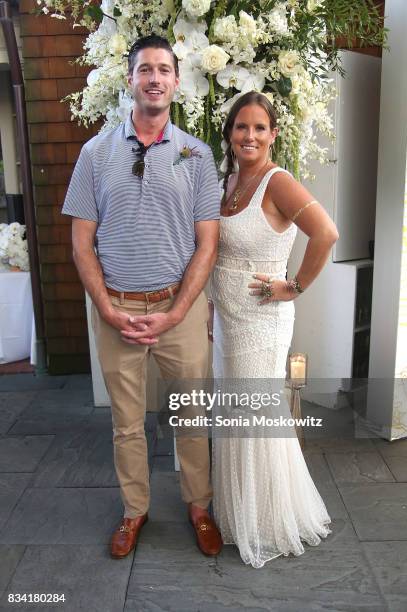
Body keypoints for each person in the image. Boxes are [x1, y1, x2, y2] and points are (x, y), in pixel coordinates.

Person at [62, 35, 223, 559]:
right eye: (145, 69)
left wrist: (178, 311)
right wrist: (107, 308)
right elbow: (81, 240)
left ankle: (199, 507)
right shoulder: (95, 153)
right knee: (126, 424)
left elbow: (208, 242)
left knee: (192, 417)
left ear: (177, 81)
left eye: (164, 69)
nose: (154, 77)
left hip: (179, 306)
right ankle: (135, 511)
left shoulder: (195, 154)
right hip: (117, 309)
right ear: (130, 79)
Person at [209, 91, 338, 568]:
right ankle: (238, 511)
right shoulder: (228, 183)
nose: (250, 136)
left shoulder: (276, 181)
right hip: (227, 321)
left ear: (274, 134)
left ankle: (265, 520)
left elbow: (326, 233)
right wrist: (209, 309)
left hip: (262, 322)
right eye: (241, 126)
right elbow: (219, 256)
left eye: (260, 127)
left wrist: (295, 286)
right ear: (229, 134)